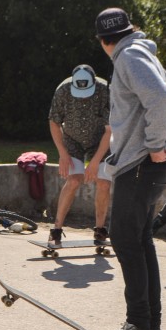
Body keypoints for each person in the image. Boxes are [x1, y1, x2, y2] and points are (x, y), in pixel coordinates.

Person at [93, 8, 166, 330]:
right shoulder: (141, 51)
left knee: (125, 239)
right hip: (148, 163)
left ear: (104, 42)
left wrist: (158, 143)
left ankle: (138, 326)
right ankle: (150, 325)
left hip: (140, 164)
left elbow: (162, 98)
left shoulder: (129, 56)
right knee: (140, 239)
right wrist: (162, 141)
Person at [47, 64, 112, 248]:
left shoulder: (105, 90)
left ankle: (100, 230)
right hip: (72, 140)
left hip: (99, 140)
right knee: (74, 180)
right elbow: (54, 122)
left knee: (104, 181)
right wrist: (62, 153)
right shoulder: (63, 90)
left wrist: (95, 162)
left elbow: (109, 130)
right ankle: (56, 230)